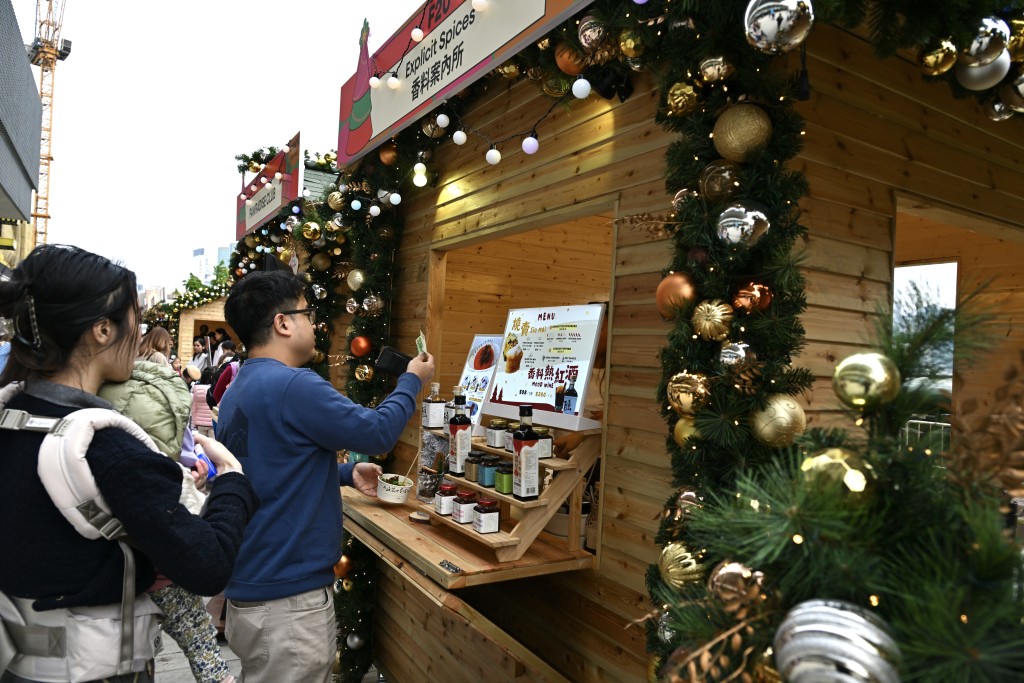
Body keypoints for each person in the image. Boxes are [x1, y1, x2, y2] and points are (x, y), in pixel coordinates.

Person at [0, 244, 259, 683]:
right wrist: (232, 479)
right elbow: (207, 564)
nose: (137, 335)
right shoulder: (106, 446)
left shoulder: (11, 417)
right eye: (133, 319)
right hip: (94, 670)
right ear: (102, 330)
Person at [216, 270, 434, 683]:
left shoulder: (238, 387)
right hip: (287, 602)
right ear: (282, 323)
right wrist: (412, 380)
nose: (315, 324)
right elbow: (377, 431)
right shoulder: (293, 385)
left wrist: (348, 472)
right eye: (307, 313)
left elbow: (267, 469)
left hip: (254, 589)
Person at [99, 360, 236, 683]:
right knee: (203, 649)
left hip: (122, 577)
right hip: (167, 577)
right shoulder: (166, 467)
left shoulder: (101, 447)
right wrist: (225, 476)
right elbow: (198, 530)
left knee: (147, 646)